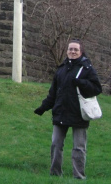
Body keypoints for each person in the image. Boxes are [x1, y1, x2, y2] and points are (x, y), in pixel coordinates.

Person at [34, 39, 102, 179]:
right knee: (56, 145)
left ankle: (79, 176)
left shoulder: (87, 68)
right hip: (61, 112)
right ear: (67, 51)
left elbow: (96, 88)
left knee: (79, 148)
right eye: (70, 49)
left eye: (75, 49)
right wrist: (43, 107)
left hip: (79, 113)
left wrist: (82, 83)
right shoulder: (61, 69)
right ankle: (55, 174)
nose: (72, 51)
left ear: (81, 52)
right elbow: (53, 93)